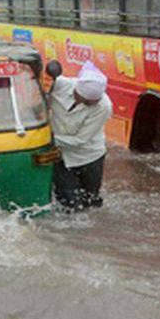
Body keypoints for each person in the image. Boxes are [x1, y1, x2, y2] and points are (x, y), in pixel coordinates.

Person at [49, 62, 112, 210]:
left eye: (91, 103)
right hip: (61, 156)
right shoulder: (61, 85)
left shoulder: (103, 106)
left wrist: (47, 140)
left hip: (90, 157)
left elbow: (80, 140)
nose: (85, 104)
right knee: (68, 202)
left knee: (91, 202)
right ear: (76, 90)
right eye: (82, 99)